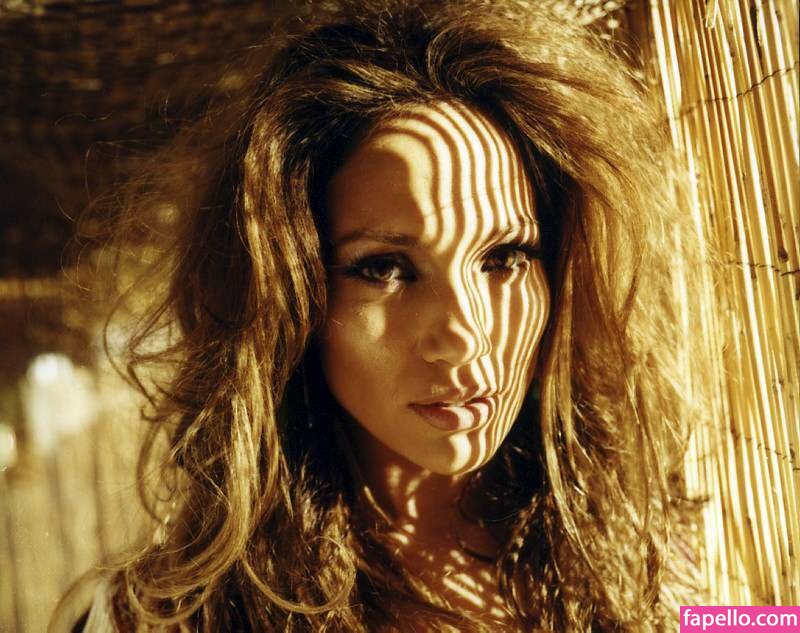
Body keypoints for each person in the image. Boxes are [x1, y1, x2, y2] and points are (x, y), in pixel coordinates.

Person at [65, 0, 708, 630]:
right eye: (384, 268)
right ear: (288, 298)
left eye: (505, 257)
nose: (464, 340)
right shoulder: (167, 617)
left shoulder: (653, 556)